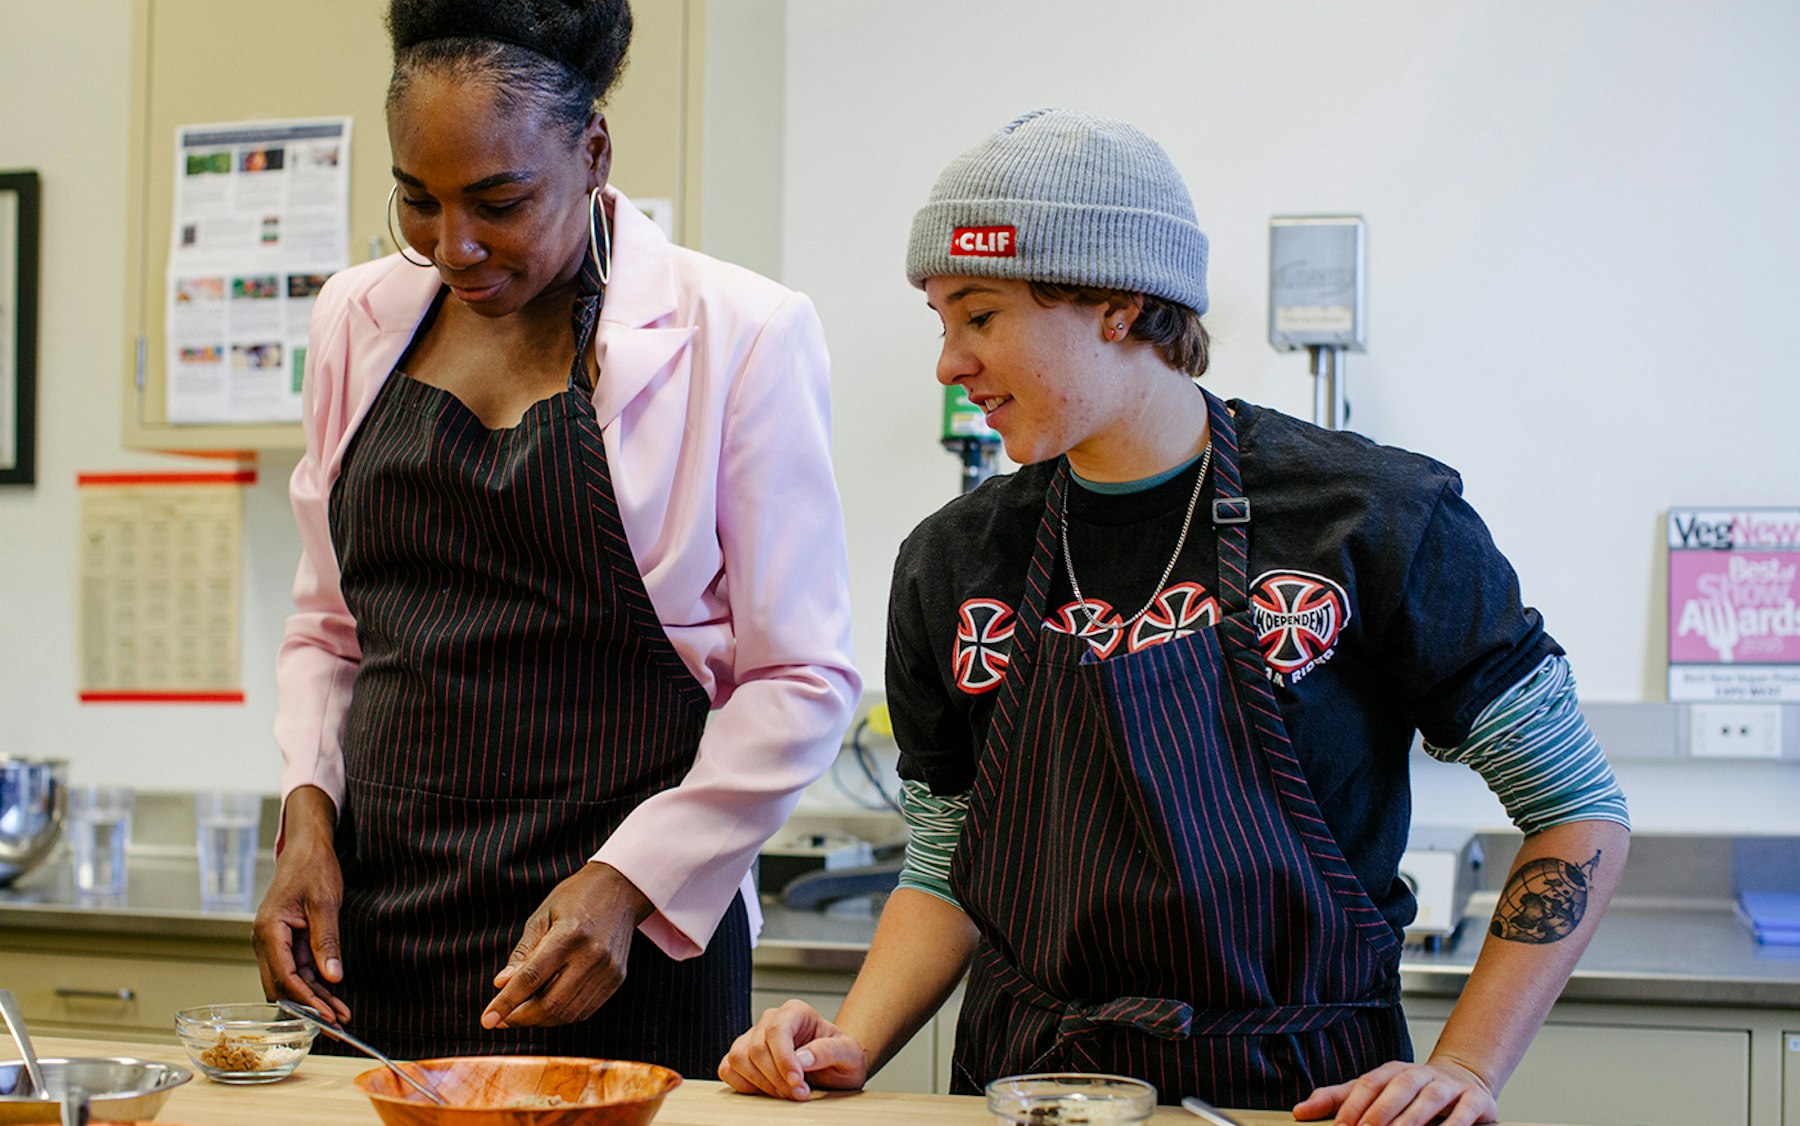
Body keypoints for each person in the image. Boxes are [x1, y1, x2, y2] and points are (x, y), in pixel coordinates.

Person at [720, 108, 1630, 1122]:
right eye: (943, 322)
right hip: (1032, 1089)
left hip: (1306, 1095)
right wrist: (855, 1037)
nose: (949, 363)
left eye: (980, 316)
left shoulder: (1373, 519)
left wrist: (1464, 1068)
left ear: (1117, 303)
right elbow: (948, 857)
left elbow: (1576, 812)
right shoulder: (953, 560)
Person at [252, 0, 859, 1076]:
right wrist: (306, 817)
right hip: (381, 921)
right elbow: (329, 629)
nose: (456, 248)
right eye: (416, 202)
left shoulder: (741, 332)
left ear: (593, 152)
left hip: (622, 940)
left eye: (500, 201)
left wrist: (629, 881)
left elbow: (803, 677)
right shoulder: (357, 317)